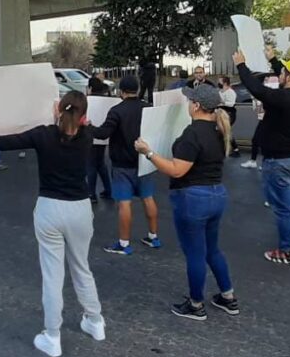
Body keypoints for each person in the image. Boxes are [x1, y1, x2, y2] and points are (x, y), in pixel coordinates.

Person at [0, 92, 105, 357]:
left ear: (59, 109)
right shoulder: (87, 136)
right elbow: (82, 126)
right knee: (82, 267)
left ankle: (52, 336)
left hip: (49, 208)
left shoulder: (43, 135)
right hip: (80, 207)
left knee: (53, 276)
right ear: (83, 114)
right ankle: (95, 321)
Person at [135, 84, 239, 320]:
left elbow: (176, 170)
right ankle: (228, 298)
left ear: (197, 106)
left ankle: (196, 305)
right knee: (212, 249)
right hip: (216, 194)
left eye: (190, 100)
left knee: (195, 253)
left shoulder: (193, 134)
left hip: (192, 199)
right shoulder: (217, 128)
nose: (187, 104)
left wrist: (148, 153)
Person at [234, 46, 290, 265]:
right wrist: (274, 60)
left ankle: (287, 250)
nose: (280, 75)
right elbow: (288, 78)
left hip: (279, 162)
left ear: (289, 77)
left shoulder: (282, 98)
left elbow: (257, 89)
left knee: (283, 208)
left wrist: (241, 65)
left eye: (283, 73)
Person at [91, 75, 160, 255]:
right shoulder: (148, 108)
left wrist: (87, 126)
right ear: (137, 89)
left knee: (124, 203)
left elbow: (103, 134)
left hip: (122, 164)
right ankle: (153, 237)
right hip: (145, 161)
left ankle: (123, 243)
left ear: (121, 91)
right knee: (148, 197)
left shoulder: (116, 111)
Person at [240, 75, 278, 169]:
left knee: (261, 140)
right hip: (264, 119)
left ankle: (263, 161)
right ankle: (255, 161)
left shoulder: (265, 93)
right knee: (257, 140)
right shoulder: (257, 96)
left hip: (268, 120)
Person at [217, 76, 240, 157]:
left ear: (225, 83)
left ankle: (228, 149)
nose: (218, 83)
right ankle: (234, 149)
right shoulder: (220, 92)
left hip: (229, 113)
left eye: (220, 81)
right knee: (226, 131)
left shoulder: (231, 92)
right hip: (221, 112)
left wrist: (222, 102)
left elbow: (231, 103)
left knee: (224, 130)